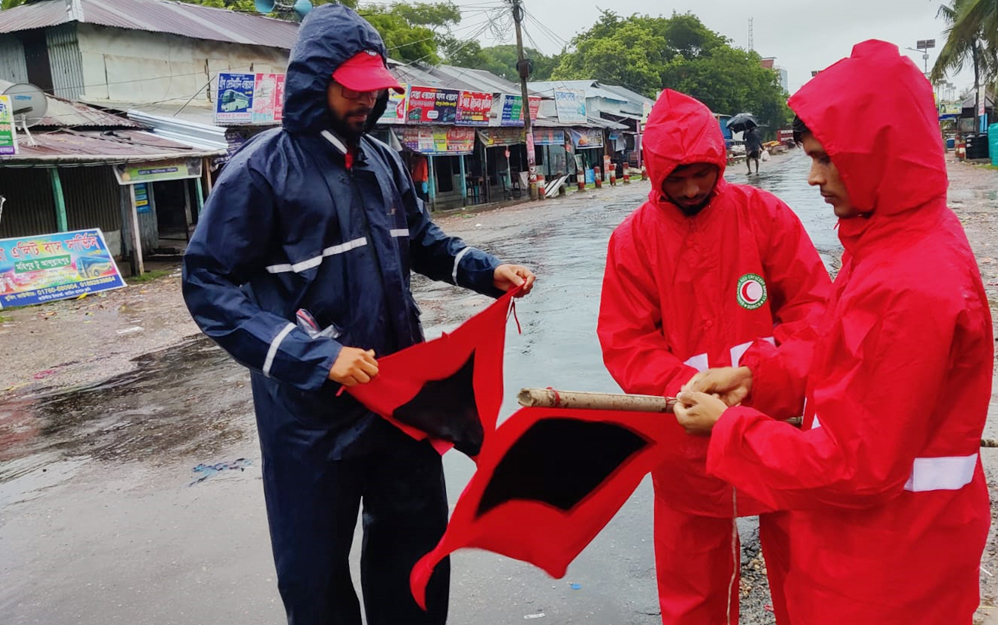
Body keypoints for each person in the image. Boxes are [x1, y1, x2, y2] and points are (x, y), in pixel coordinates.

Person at [180, 5, 535, 625]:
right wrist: (315, 357)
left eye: (375, 91)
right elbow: (207, 283)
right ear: (315, 80)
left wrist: (485, 269)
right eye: (354, 89)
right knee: (314, 574)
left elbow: (422, 239)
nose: (366, 104)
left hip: (400, 397)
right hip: (311, 417)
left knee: (415, 553)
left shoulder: (382, 159)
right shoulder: (260, 172)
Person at [676, 40, 993, 625]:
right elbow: (846, 358)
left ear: (881, 155)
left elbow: (858, 465)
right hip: (874, 544)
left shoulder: (911, 280)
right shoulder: (890, 239)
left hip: (886, 565)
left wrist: (731, 431)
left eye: (826, 157)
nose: (814, 177)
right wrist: (759, 376)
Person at [597, 89, 831, 625]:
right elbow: (626, 339)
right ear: (653, 173)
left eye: (700, 173)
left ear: (720, 160)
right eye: (674, 179)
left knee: (808, 571)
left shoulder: (764, 216)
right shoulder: (633, 240)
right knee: (692, 585)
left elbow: (816, 311)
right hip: (687, 432)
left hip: (776, 422)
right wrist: (683, 387)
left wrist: (764, 375)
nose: (691, 188)